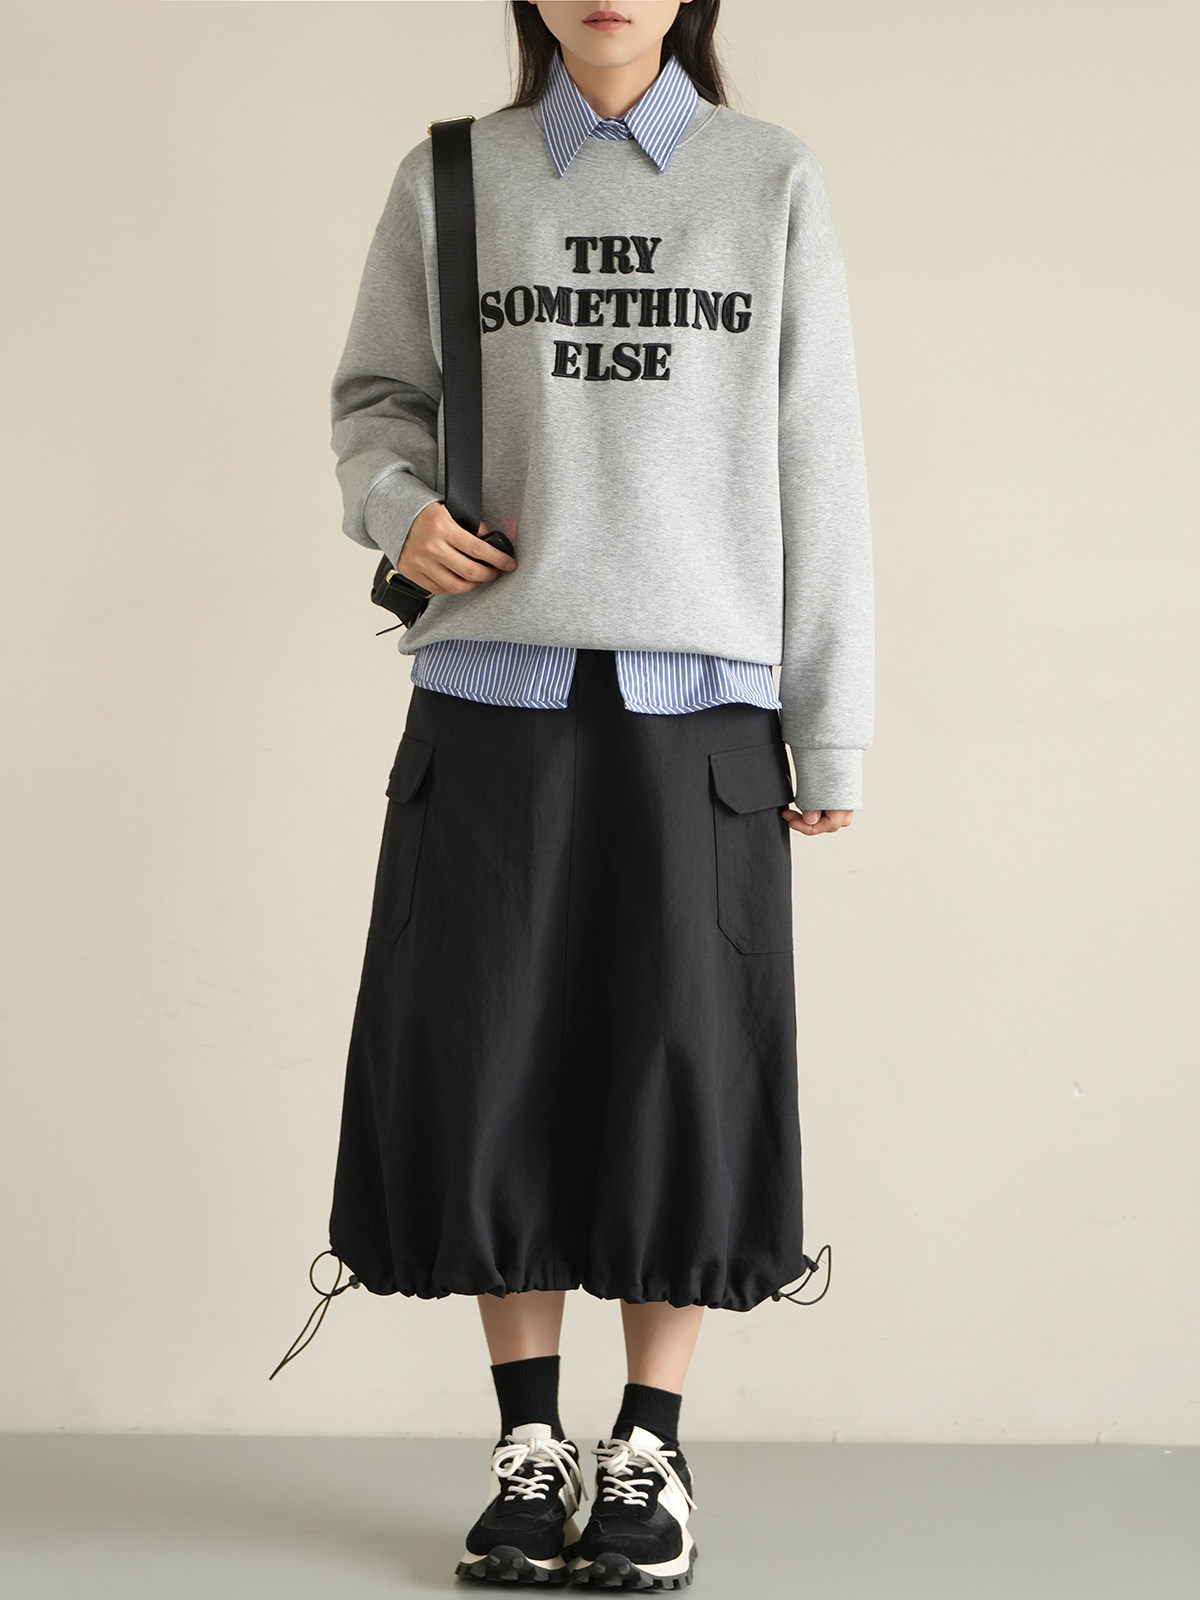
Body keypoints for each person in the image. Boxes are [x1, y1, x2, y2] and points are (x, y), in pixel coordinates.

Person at [288, 0, 874, 1588]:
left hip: (701, 711)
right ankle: (529, 1443)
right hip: (495, 694)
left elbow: (818, 459)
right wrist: (398, 512)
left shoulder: (768, 178)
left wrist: (835, 728)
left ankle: (651, 1449)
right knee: (495, 1061)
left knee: (682, 1067)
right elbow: (374, 404)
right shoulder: (453, 177)